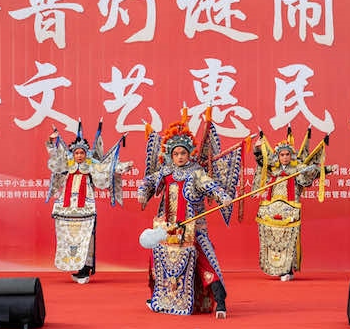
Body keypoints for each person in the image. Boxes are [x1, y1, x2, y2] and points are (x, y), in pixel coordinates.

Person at [138, 111, 238, 318]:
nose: (180, 157)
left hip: (193, 228)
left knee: (207, 263)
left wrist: (222, 197)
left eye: (183, 153)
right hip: (168, 229)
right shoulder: (166, 171)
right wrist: (142, 192)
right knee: (157, 262)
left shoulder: (196, 172)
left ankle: (220, 302)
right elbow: (148, 181)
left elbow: (211, 186)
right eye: (176, 154)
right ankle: (158, 297)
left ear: (189, 153)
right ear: (170, 155)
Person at [45, 122, 131, 284]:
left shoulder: (91, 166)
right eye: (76, 153)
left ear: (86, 154)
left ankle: (85, 269)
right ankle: (74, 265)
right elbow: (55, 161)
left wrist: (122, 167)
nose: (79, 155)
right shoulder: (67, 165)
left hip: (86, 209)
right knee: (68, 237)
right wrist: (51, 142)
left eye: (81, 153)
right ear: (73, 154)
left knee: (86, 238)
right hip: (67, 209)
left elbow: (107, 168)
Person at [252, 128, 334, 281]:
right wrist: (257, 149)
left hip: (290, 210)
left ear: (291, 155)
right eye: (282, 155)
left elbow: (314, 172)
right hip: (271, 210)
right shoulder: (274, 169)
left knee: (289, 240)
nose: (284, 157)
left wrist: (328, 169)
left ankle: (287, 270)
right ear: (278, 156)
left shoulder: (298, 168)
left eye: (287, 154)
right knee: (272, 239)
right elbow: (262, 162)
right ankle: (274, 268)